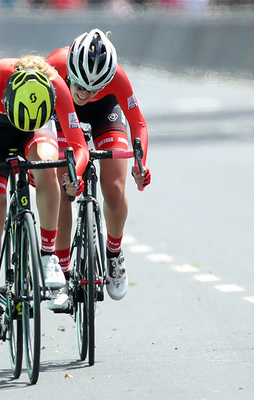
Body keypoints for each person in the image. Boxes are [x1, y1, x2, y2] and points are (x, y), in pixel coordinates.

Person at [0, 56, 89, 345]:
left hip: (36, 131)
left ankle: (47, 254)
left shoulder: (55, 84)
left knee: (47, 165)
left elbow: (79, 146)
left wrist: (74, 175)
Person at [45, 28, 151, 310]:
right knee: (62, 183)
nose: (84, 93)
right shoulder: (54, 64)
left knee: (114, 190)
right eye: (79, 86)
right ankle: (64, 273)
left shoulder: (117, 77)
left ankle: (114, 254)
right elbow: (38, 119)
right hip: (62, 114)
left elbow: (138, 123)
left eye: (93, 88)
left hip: (106, 114)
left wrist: (140, 163)